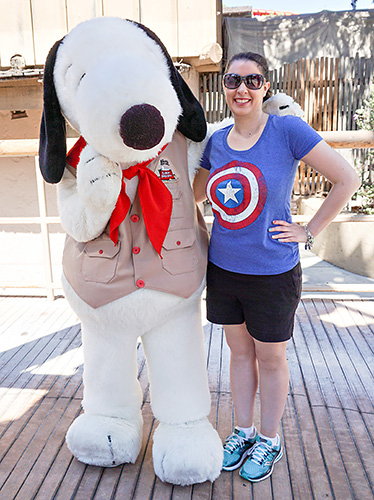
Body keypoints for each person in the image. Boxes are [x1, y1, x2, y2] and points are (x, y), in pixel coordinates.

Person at [193, 52, 360, 483]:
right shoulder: (216, 142)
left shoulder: (286, 129)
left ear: (265, 86)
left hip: (272, 271)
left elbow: (347, 178)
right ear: (224, 88)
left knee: (270, 357)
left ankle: (269, 439)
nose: (241, 89)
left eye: (252, 81)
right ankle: (243, 431)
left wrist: (309, 232)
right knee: (239, 353)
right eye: (232, 80)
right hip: (225, 269)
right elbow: (191, 194)